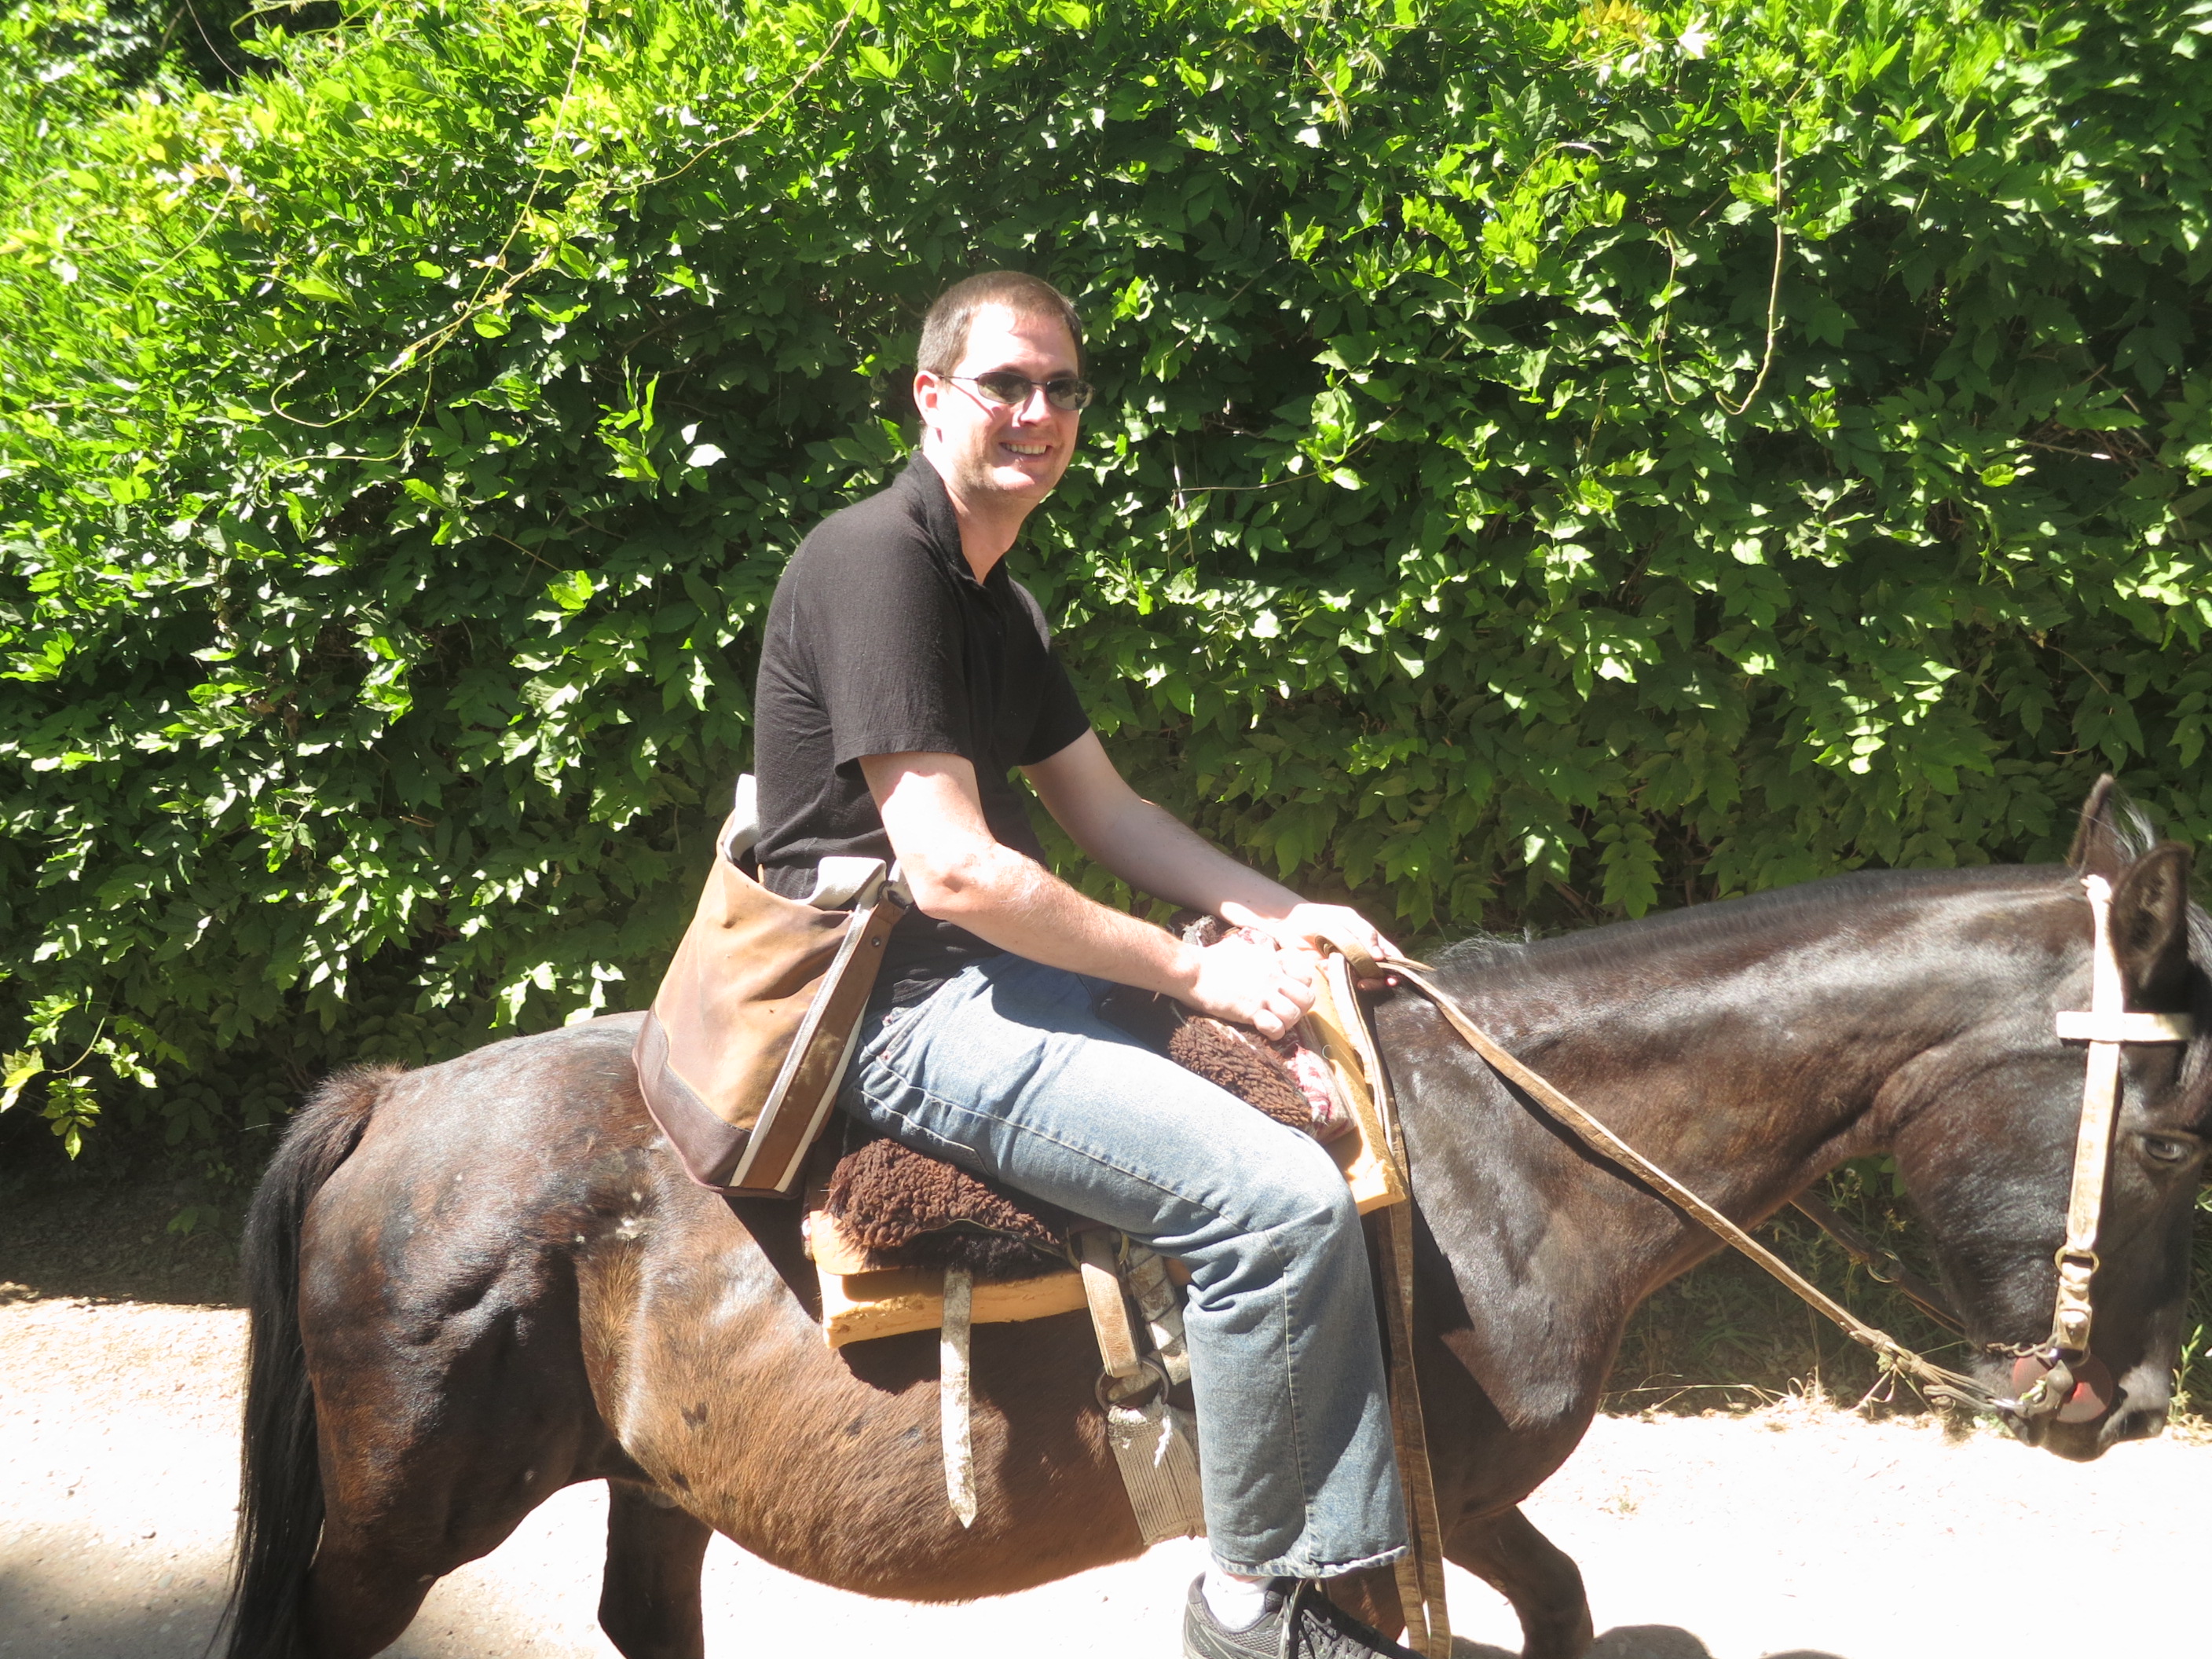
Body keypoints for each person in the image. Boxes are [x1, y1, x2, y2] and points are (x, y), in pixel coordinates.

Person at [751, 269, 1415, 1659]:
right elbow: (952, 870)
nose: (1036, 411)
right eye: (1004, 383)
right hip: (898, 1013)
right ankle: (1258, 1608)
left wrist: (1291, 912)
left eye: (1061, 388)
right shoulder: (877, 567)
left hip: (987, 977)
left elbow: (1107, 812)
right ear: (932, 396)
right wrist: (1198, 973)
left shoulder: (1000, 603)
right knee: (1273, 1207)